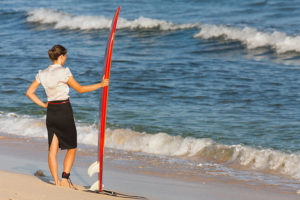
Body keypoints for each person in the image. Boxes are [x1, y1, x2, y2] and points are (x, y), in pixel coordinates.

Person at [26, 44, 109, 188]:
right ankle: (65, 178)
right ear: (61, 56)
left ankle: (56, 181)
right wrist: (101, 84)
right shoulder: (64, 71)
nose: (65, 60)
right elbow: (80, 89)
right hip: (64, 110)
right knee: (72, 147)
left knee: (53, 149)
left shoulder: (42, 73)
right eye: (65, 57)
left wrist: (44, 104)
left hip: (51, 111)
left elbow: (29, 92)